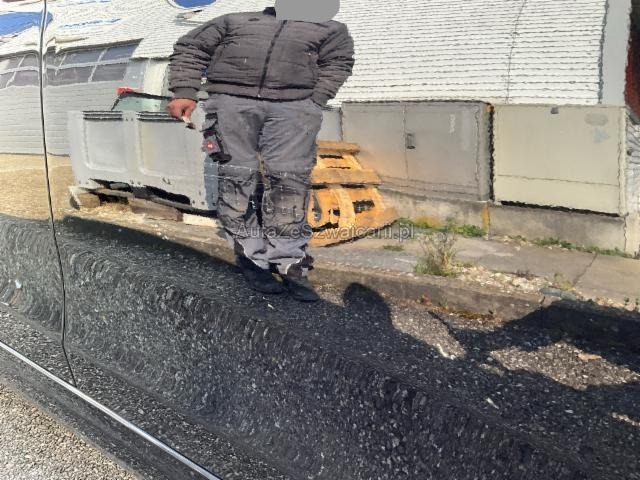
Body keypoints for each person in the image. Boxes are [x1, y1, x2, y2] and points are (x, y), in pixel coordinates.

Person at [166, 2, 354, 302]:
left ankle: (289, 260)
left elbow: (338, 63)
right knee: (237, 178)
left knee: (290, 181)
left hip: (294, 108)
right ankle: (252, 258)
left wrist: (314, 100)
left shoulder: (331, 29)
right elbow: (191, 48)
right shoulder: (235, 21)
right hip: (231, 103)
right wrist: (184, 91)